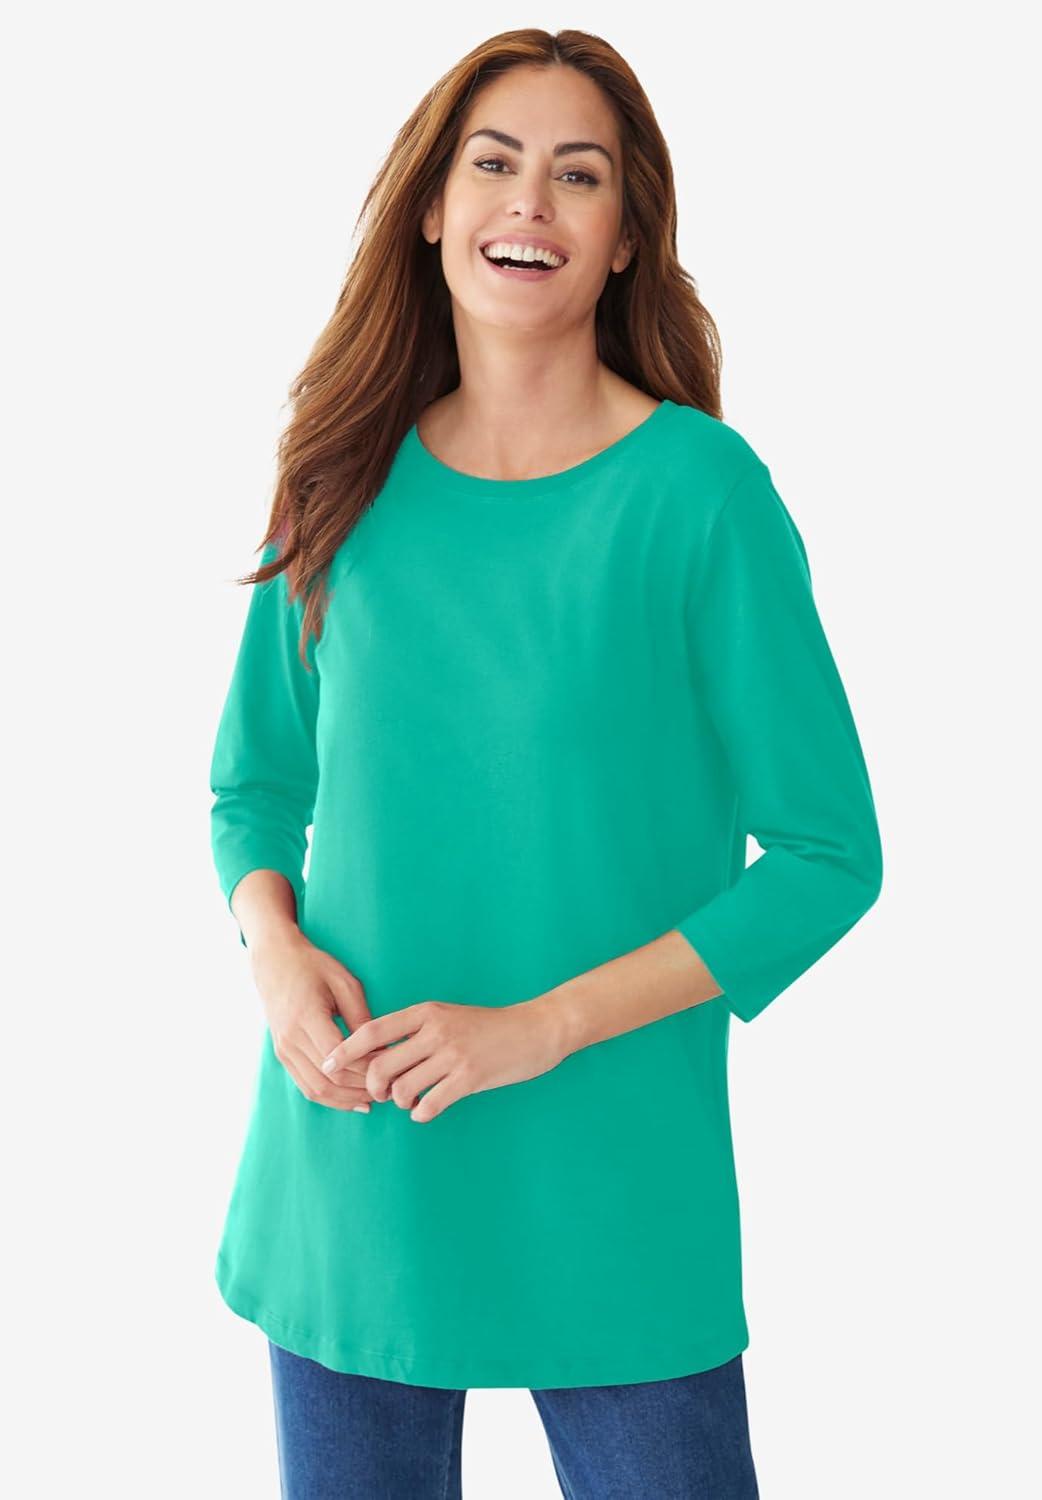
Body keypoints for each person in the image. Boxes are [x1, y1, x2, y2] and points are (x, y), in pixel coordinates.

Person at [208, 27, 883, 1500]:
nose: (530, 200)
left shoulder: (700, 495)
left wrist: (541, 1028)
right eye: (494, 162)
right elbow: (252, 787)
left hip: (613, 1185)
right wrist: (274, 952)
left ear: (627, 236)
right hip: (358, 1166)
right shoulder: (337, 477)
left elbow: (830, 856)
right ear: (433, 207)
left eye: (579, 175)